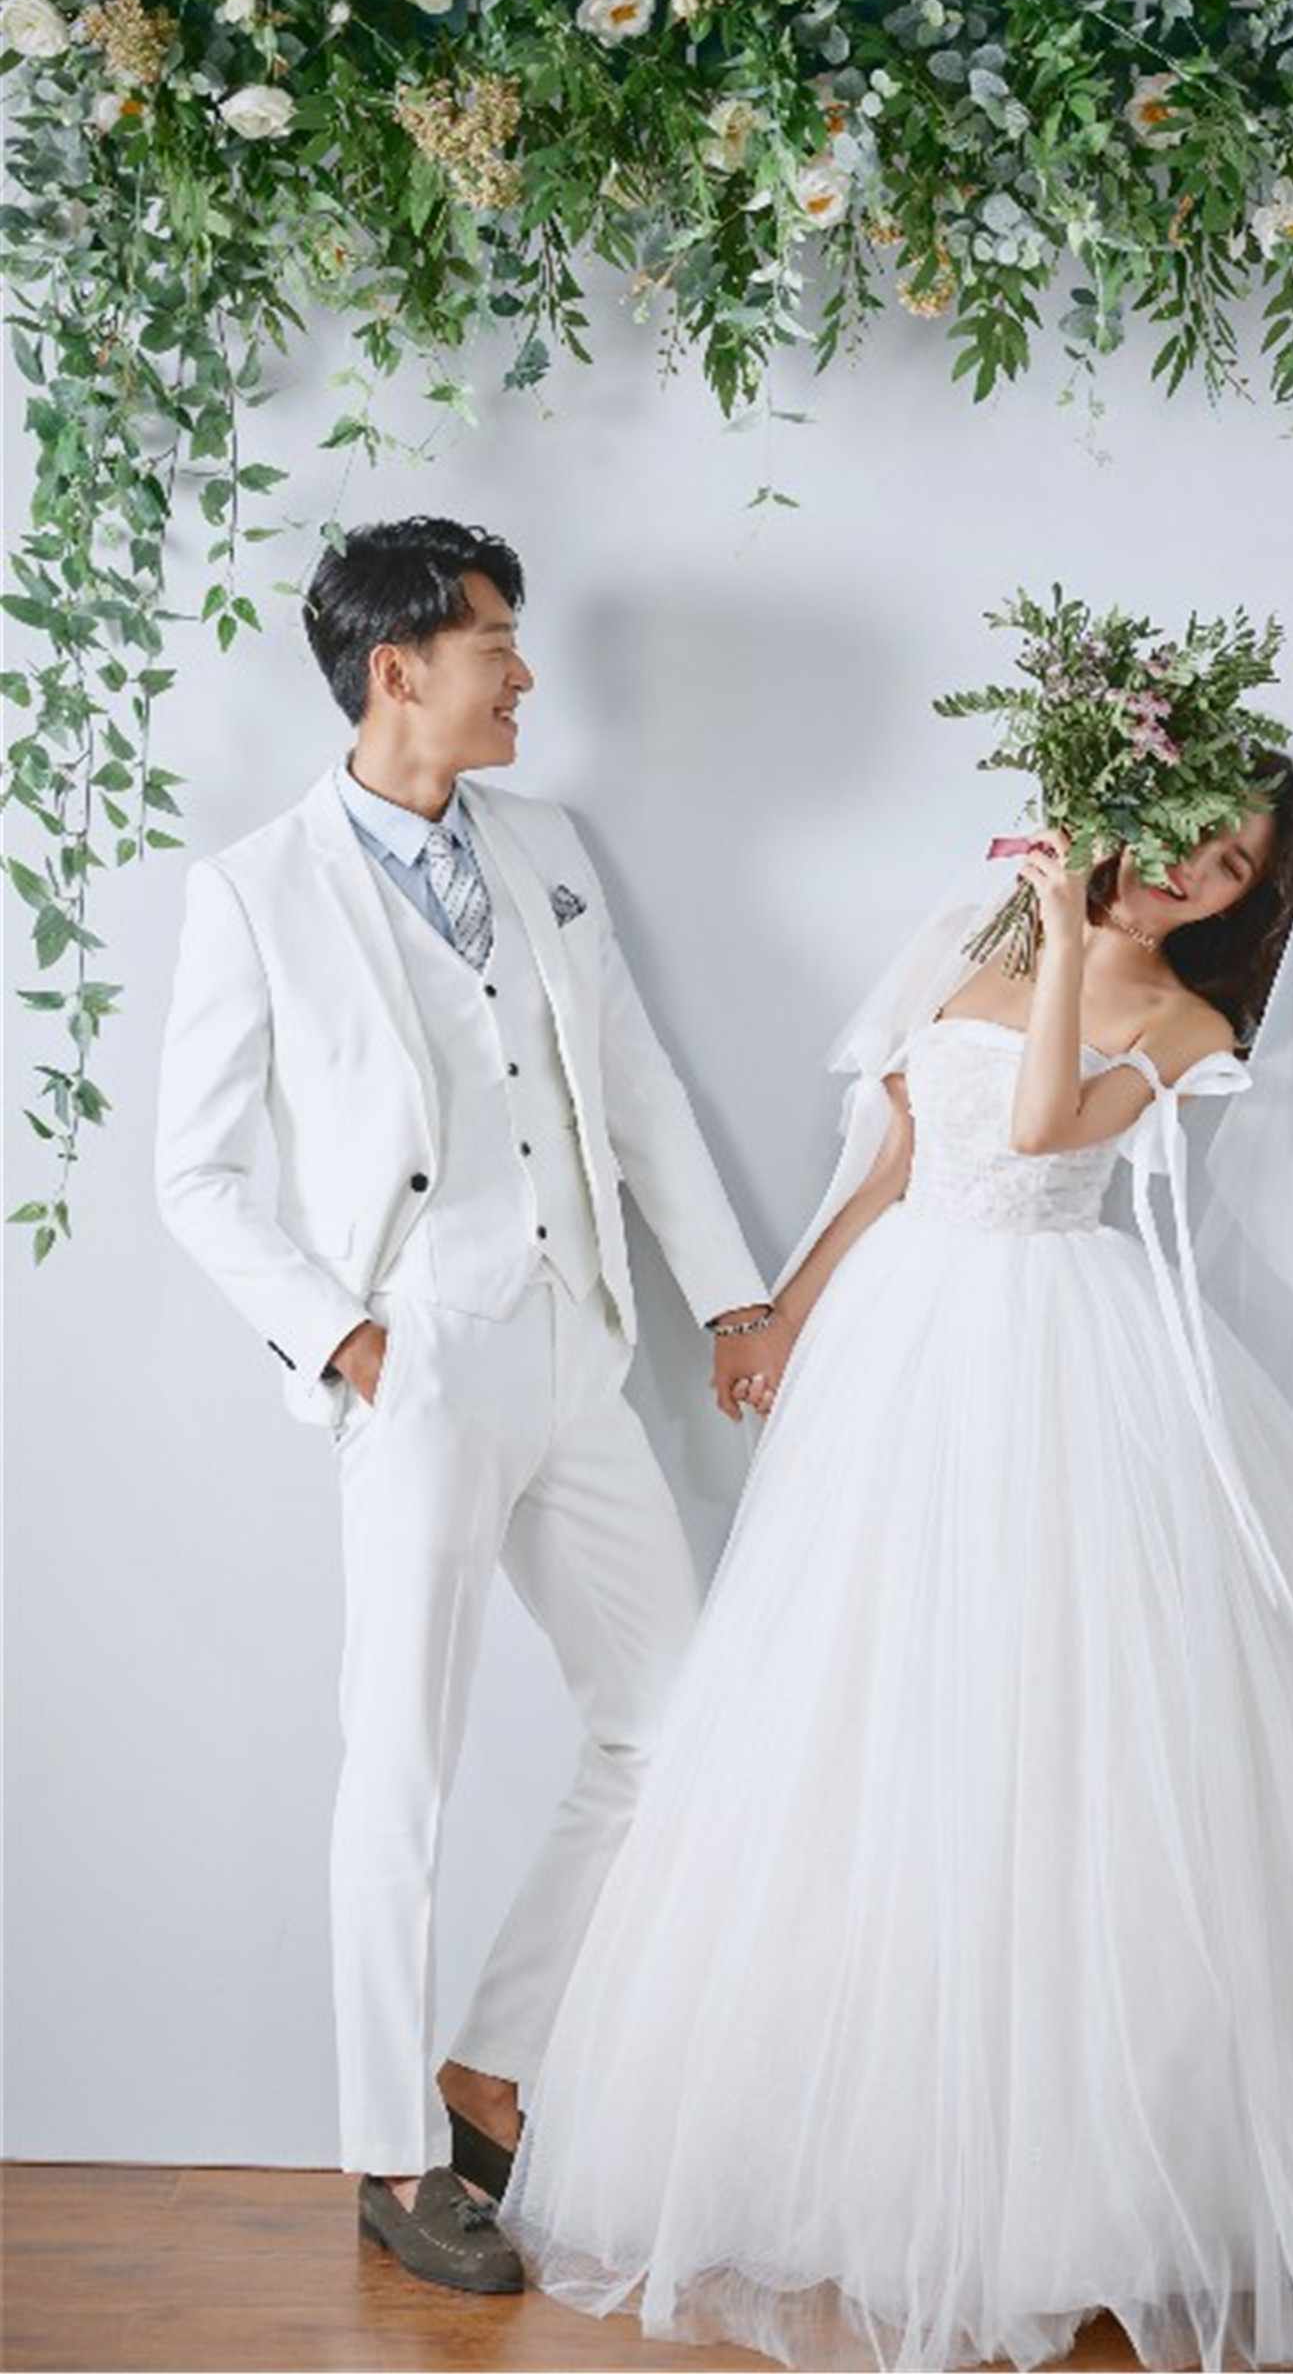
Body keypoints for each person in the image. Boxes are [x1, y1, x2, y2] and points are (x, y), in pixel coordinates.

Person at [499, 764, 1293, 2370]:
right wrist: (783, 1312)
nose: (1199, 872)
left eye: (1235, 869)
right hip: (901, 1344)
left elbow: (1034, 1129)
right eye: (1195, 834)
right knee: (874, 1719)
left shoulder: (1189, 1024)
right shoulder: (982, 936)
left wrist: (1076, 933)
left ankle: (1097, 2203)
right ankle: (886, 2171)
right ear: (1136, 812)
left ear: (1250, 906)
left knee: (1073, 1731)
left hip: (1063, 1356)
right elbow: (896, 1151)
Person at [154, 516, 791, 2294]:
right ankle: (386, 2153)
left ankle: (487, 2070)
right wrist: (345, 1340)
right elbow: (194, 1173)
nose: (523, 674)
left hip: (576, 1345)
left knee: (672, 1724)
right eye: (495, 642)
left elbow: (637, 1088)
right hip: (419, 1357)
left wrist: (731, 1295)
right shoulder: (253, 892)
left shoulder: (547, 847)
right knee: (403, 1766)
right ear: (398, 669)